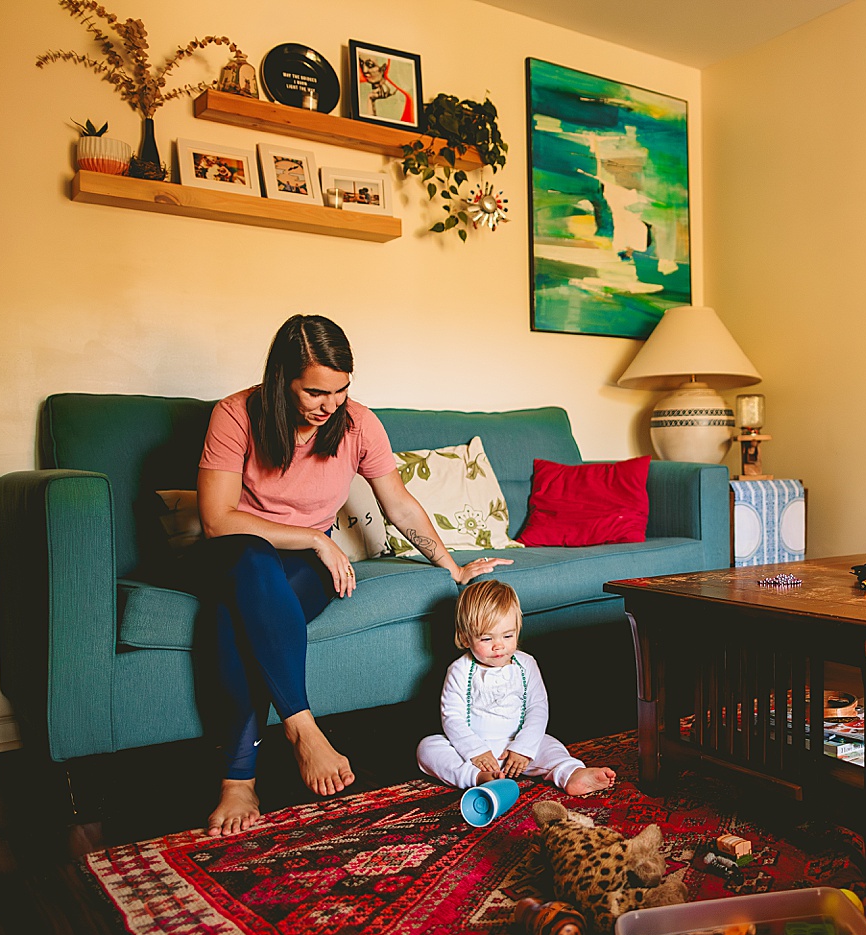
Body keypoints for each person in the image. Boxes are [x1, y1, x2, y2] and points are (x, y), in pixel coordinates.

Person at [187, 314, 512, 837]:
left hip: (300, 569)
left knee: (236, 613)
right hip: (235, 553)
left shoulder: (358, 423)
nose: (329, 404)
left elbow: (400, 505)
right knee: (249, 563)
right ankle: (301, 730)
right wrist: (317, 537)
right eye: (315, 391)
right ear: (281, 379)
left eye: (341, 390)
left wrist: (451, 566)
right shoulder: (236, 414)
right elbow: (217, 519)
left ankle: (238, 780)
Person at [416, 580, 616, 796]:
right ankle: (479, 778)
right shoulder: (459, 670)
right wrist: (476, 751)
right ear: (465, 638)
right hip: (475, 752)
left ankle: (571, 773)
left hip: (519, 749)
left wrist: (523, 748)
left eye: (508, 636)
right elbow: (451, 717)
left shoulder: (527, 664)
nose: (499, 645)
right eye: (486, 638)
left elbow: (537, 709)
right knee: (428, 748)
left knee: (550, 745)